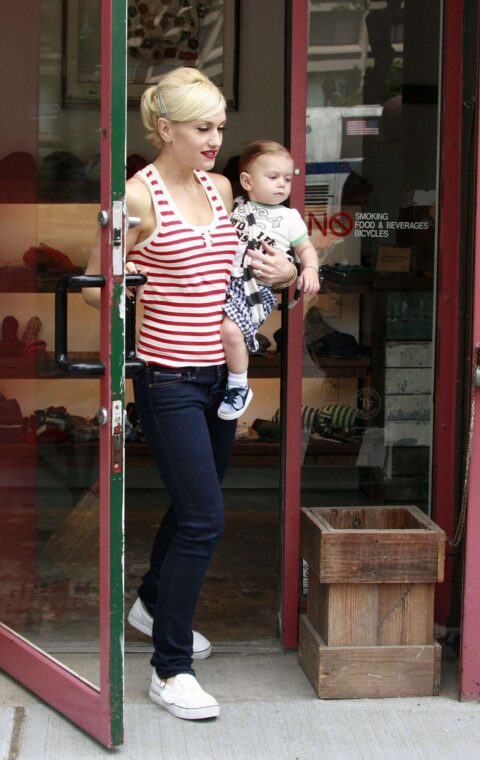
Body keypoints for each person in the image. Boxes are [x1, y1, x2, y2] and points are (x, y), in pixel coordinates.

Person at [82, 67, 297, 721]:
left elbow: (239, 262)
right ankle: (169, 669)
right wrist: (137, 293)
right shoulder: (137, 197)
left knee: (192, 506)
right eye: (203, 128)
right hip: (167, 379)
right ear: (166, 128)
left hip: (221, 377)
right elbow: (95, 284)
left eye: (221, 128)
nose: (215, 139)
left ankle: (151, 604)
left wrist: (286, 270)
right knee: (204, 517)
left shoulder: (222, 186)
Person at [217, 140, 320, 421]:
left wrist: (309, 269)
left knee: (230, 331)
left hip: (255, 287)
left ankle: (239, 386)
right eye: (273, 177)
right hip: (226, 281)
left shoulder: (290, 217)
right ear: (247, 181)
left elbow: (306, 248)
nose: (282, 185)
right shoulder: (235, 208)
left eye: (287, 179)